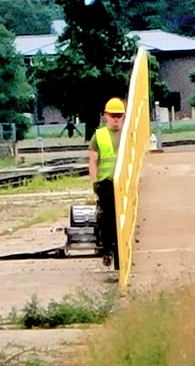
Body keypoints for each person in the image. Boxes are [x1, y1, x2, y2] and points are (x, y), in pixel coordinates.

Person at [89, 97, 125, 269]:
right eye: (113, 115)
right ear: (106, 116)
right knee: (108, 218)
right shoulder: (99, 136)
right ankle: (108, 247)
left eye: (119, 115)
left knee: (119, 218)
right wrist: (95, 182)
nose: (116, 119)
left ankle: (116, 250)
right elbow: (93, 161)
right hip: (106, 183)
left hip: (124, 183)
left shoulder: (129, 134)